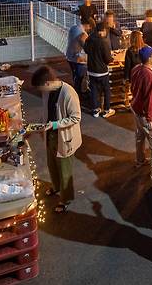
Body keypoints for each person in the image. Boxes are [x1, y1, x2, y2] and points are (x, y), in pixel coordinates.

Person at [31, 66, 81, 213]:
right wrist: (40, 125)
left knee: (65, 170)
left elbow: (76, 117)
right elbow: (46, 112)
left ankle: (66, 198)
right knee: (52, 164)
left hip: (64, 137)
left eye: (41, 88)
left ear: (47, 83)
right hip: (51, 134)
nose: (41, 92)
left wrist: (54, 124)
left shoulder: (68, 93)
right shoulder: (48, 93)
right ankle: (56, 186)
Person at [130, 46, 152, 167]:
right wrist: (149, 118)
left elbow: (135, 87)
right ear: (150, 58)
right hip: (145, 112)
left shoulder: (137, 68)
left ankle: (140, 160)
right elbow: (149, 99)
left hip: (136, 108)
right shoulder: (149, 75)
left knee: (139, 136)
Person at [84, 22, 115, 118]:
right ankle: (106, 110)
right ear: (103, 31)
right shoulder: (103, 42)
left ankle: (95, 110)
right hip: (102, 71)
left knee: (94, 90)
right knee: (106, 90)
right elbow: (108, 59)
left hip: (91, 69)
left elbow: (86, 50)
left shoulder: (89, 39)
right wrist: (112, 58)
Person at [66, 18, 94, 95]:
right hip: (77, 59)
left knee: (75, 77)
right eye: (90, 27)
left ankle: (77, 92)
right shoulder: (83, 33)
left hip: (69, 56)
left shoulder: (74, 27)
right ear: (88, 25)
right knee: (79, 78)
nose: (90, 29)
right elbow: (84, 44)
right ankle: (78, 94)